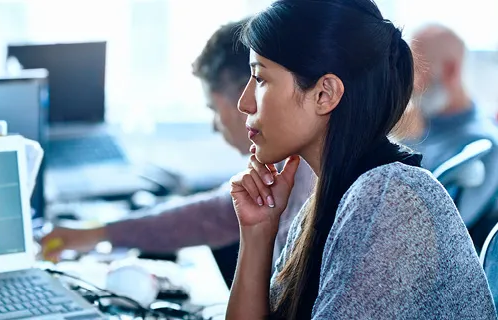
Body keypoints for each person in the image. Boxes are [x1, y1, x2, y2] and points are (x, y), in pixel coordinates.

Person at [227, 0, 496, 319]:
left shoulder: (387, 199)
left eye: (260, 79)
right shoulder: (336, 196)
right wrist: (258, 232)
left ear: (325, 94)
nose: (244, 103)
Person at [38, 20, 315, 276]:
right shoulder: (283, 169)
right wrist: (95, 233)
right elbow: (217, 213)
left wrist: (95, 233)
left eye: (213, 109)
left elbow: (211, 217)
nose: (215, 126)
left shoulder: (305, 173)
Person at [404, 24, 498, 228]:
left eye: (418, 71)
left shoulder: (484, 146)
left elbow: (445, 229)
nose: (411, 85)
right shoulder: (412, 125)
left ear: (450, 70)